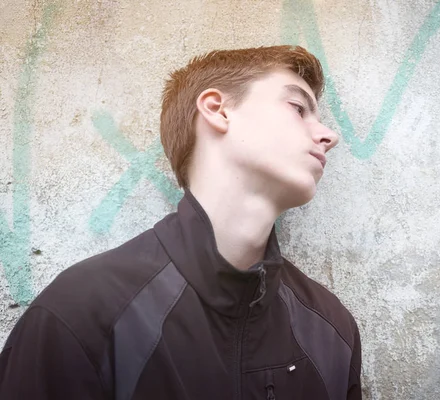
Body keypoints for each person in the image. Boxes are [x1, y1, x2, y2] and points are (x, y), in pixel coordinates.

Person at [0, 45, 362, 399]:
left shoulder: (332, 331)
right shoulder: (84, 313)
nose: (330, 136)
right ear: (217, 110)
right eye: (298, 107)